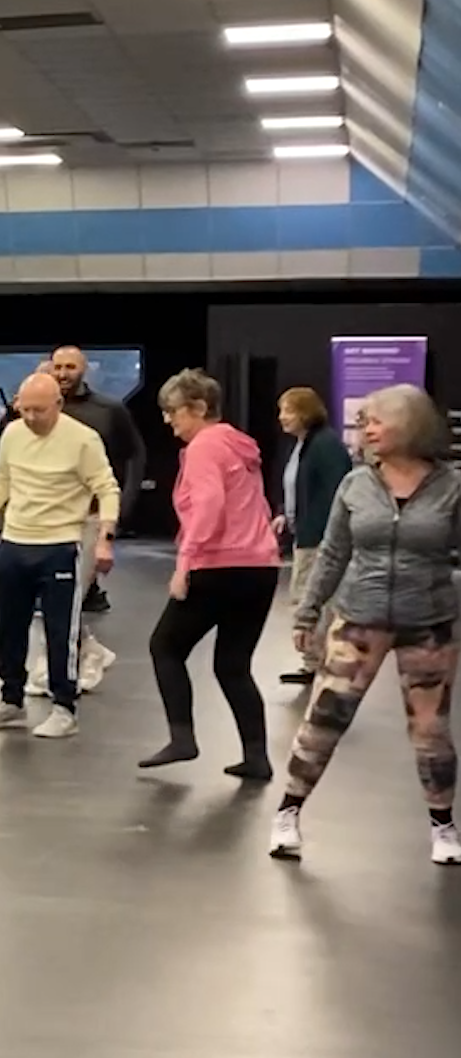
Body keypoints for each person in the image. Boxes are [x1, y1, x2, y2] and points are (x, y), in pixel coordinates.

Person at [272, 384, 461, 865]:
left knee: (431, 731)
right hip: (359, 616)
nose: (367, 431)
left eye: (376, 422)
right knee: (325, 717)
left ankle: (443, 825)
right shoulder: (356, 485)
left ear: (410, 425)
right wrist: (308, 610)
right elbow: (334, 553)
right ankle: (287, 814)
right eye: (364, 423)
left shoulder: (451, 487)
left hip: (429, 621)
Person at [138, 369, 280, 777]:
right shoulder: (240, 445)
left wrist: (185, 563)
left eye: (173, 411)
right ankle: (256, 756)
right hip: (260, 568)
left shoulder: (205, 446)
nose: (168, 420)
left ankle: (182, 738)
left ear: (198, 408)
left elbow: (209, 505)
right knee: (233, 664)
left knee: (165, 646)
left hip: (219, 566)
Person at [0, 372, 120, 739]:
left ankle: (64, 708)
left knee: (59, 631)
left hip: (61, 545)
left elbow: (107, 488)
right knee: (8, 627)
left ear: (59, 404)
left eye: (39, 410)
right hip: (15, 543)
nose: (31, 417)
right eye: (25, 410)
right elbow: (2, 480)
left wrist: (105, 539)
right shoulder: (13, 433)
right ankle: (11, 700)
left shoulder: (83, 439)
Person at [273, 386, 353, 688]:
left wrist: (323, 532)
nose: (282, 417)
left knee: (309, 597)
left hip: (318, 537)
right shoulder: (302, 444)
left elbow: (336, 492)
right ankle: (314, 661)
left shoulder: (324, 446)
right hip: (306, 533)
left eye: (288, 411)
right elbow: (296, 486)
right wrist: (285, 513)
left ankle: (318, 662)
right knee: (306, 596)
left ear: (306, 412)